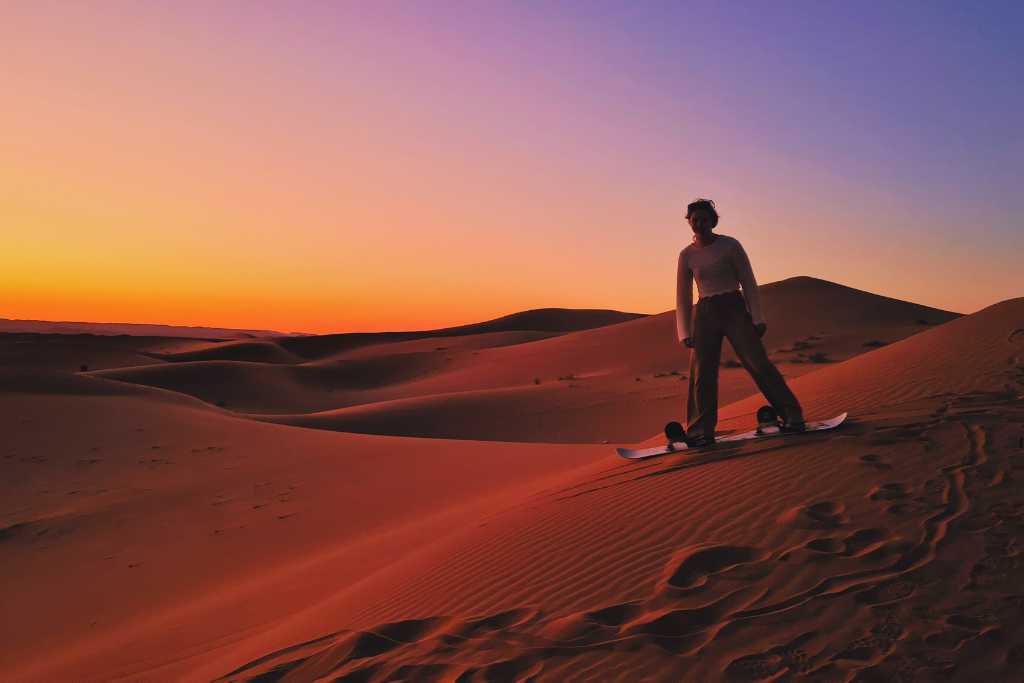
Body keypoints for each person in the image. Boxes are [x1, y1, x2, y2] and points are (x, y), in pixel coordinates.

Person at [676, 198, 805, 446]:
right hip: (705, 313)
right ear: (689, 223)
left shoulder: (730, 246)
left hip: (734, 307)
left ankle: (792, 415)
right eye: (695, 221)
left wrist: (757, 317)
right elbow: (683, 295)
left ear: (713, 221)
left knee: (758, 362)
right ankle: (700, 431)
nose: (700, 224)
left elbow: (748, 281)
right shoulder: (687, 255)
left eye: (704, 219)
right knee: (702, 373)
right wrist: (684, 331)